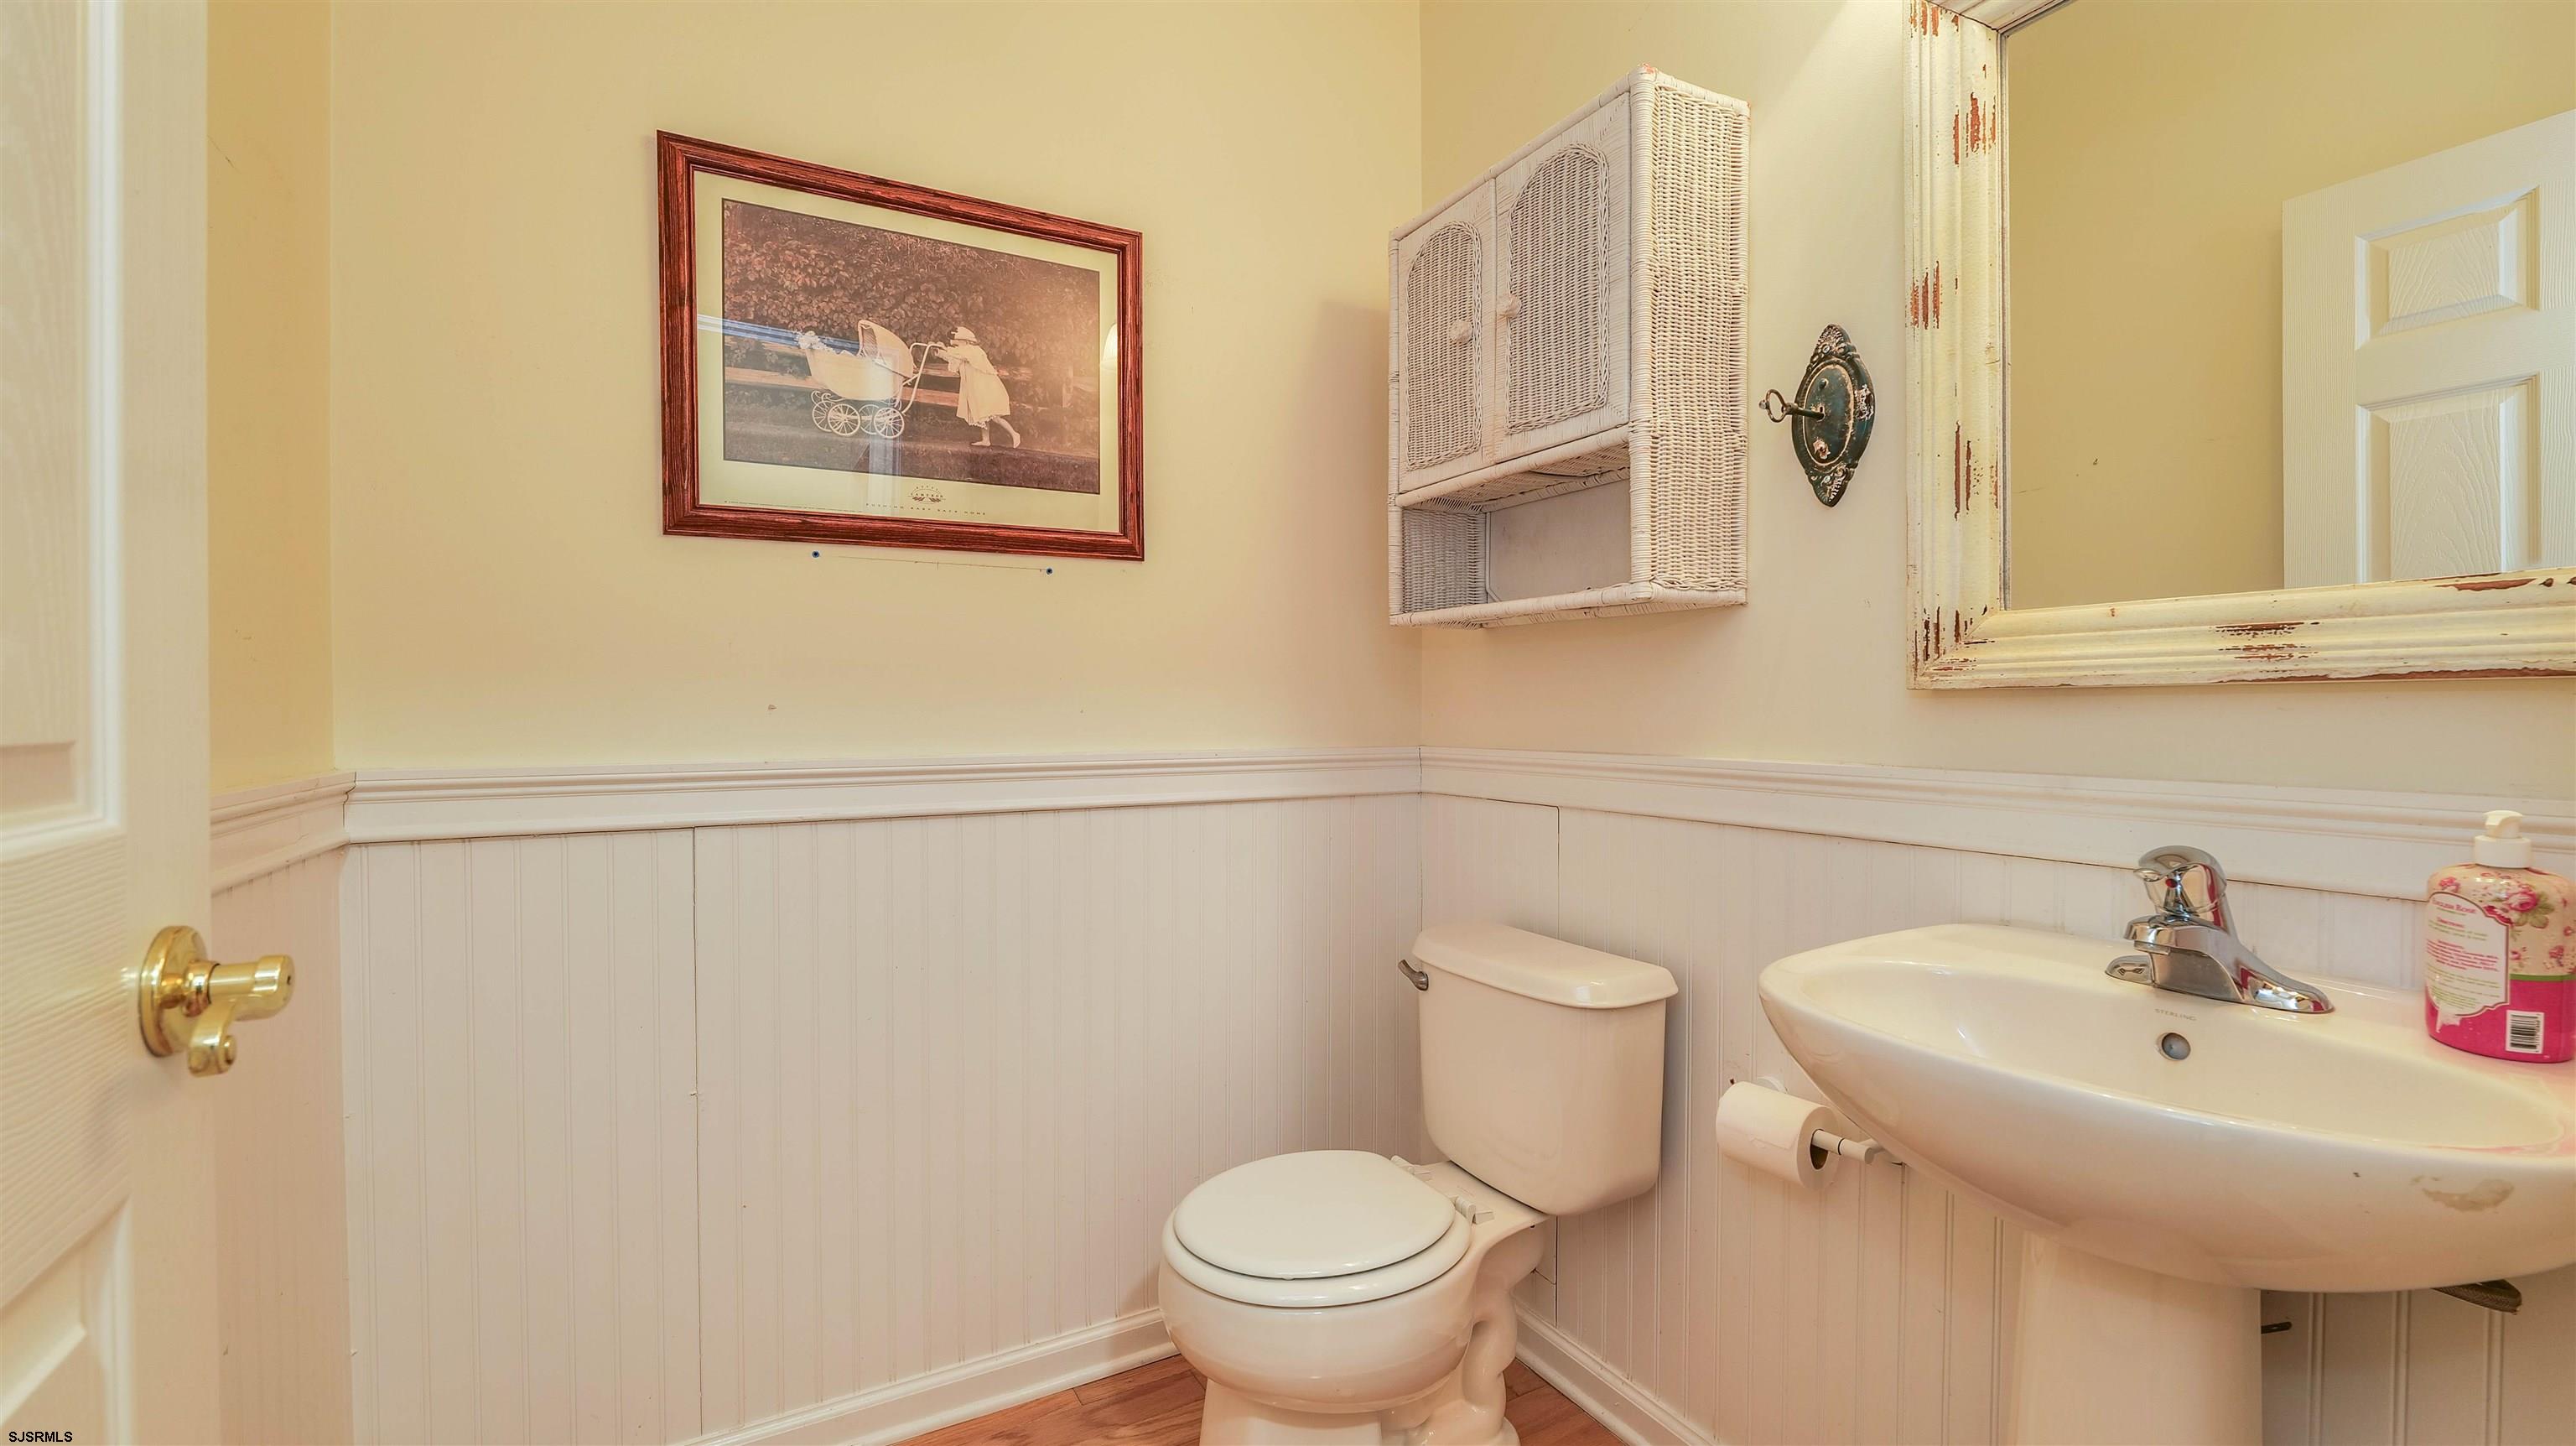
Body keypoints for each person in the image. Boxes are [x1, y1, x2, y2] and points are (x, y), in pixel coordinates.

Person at [935, 326, 1021, 448]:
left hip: (986, 386)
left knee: (994, 416)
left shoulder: (973, 351)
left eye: (957, 341)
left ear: (964, 341)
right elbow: (953, 357)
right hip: (976, 387)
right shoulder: (961, 352)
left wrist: (944, 348)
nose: (955, 344)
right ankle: (986, 440)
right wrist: (939, 352)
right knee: (982, 414)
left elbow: (960, 354)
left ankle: (1014, 433)